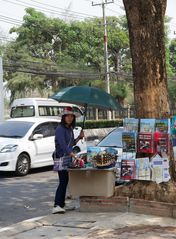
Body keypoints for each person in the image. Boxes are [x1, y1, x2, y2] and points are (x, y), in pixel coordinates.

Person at [52, 106, 84, 214]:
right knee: (62, 181)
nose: (70, 118)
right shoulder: (60, 129)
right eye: (68, 116)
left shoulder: (69, 129)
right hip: (60, 157)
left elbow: (71, 144)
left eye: (72, 116)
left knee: (65, 181)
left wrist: (79, 137)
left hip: (67, 157)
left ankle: (61, 204)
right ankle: (57, 205)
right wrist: (73, 154)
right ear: (64, 117)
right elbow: (63, 145)